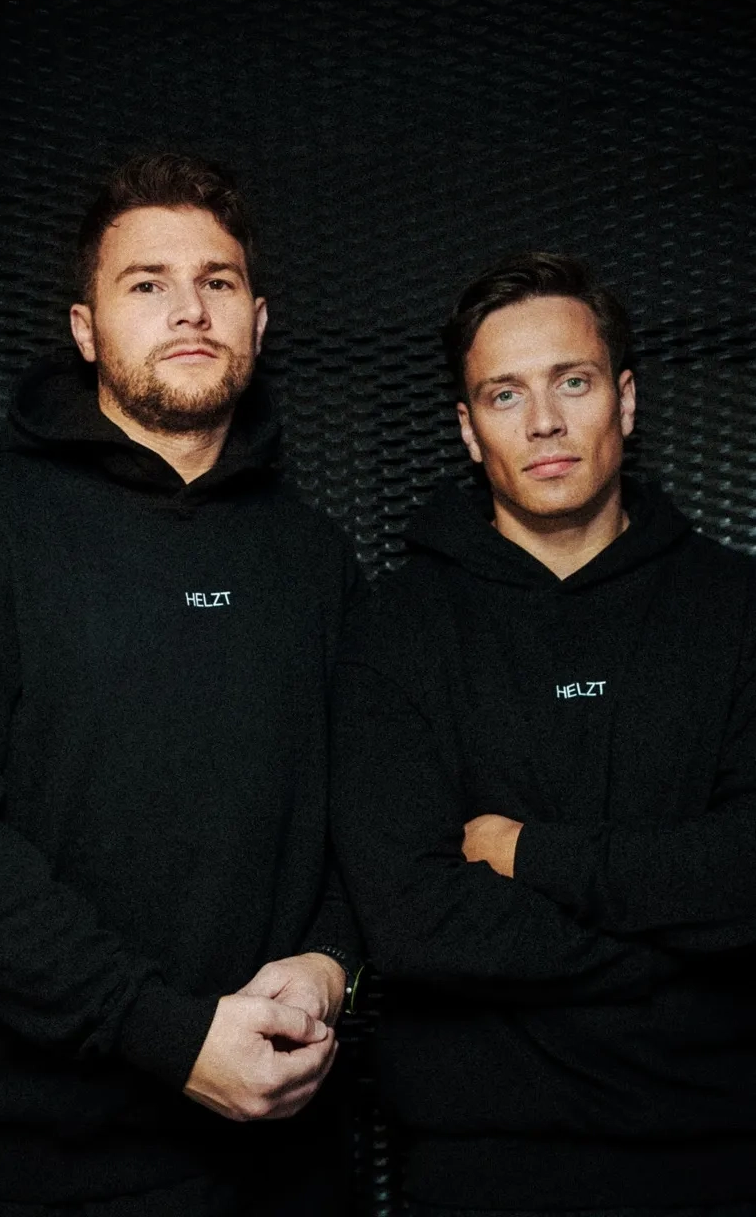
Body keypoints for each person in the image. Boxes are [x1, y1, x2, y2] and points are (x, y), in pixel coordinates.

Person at [0, 152, 363, 1217]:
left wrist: (332, 962)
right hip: (40, 1170)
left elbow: (367, 813)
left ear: (257, 320)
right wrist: (169, 1034)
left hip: (289, 1168)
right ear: (83, 327)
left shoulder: (315, 559)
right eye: (146, 283)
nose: (188, 309)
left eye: (218, 281)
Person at [331, 252, 756, 1215]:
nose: (546, 422)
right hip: (481, 1159)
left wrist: (533, 853)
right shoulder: (395, 627)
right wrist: (687, 948)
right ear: (468, 430)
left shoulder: (736, 608)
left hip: (723, 1149)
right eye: (504, 394)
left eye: (573, 381)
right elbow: (411, 918)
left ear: (627, 400)